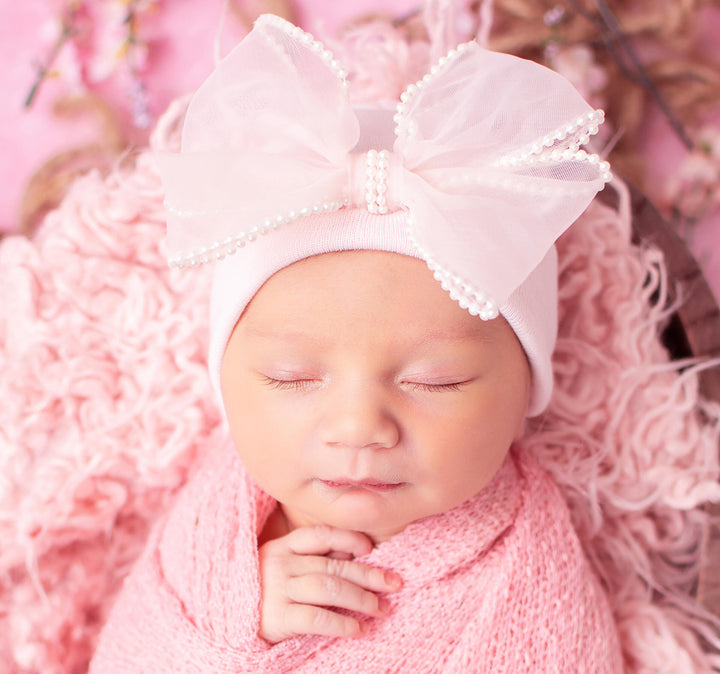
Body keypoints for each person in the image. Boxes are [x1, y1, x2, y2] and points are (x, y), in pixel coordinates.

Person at [89, 13, 622, 672]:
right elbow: (131, 651)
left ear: (525, 392)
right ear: (226, 382)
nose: (359, 427)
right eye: (291, 377)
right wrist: (235, 622)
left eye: (436, 379)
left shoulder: (530, 570)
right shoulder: (214, 538)